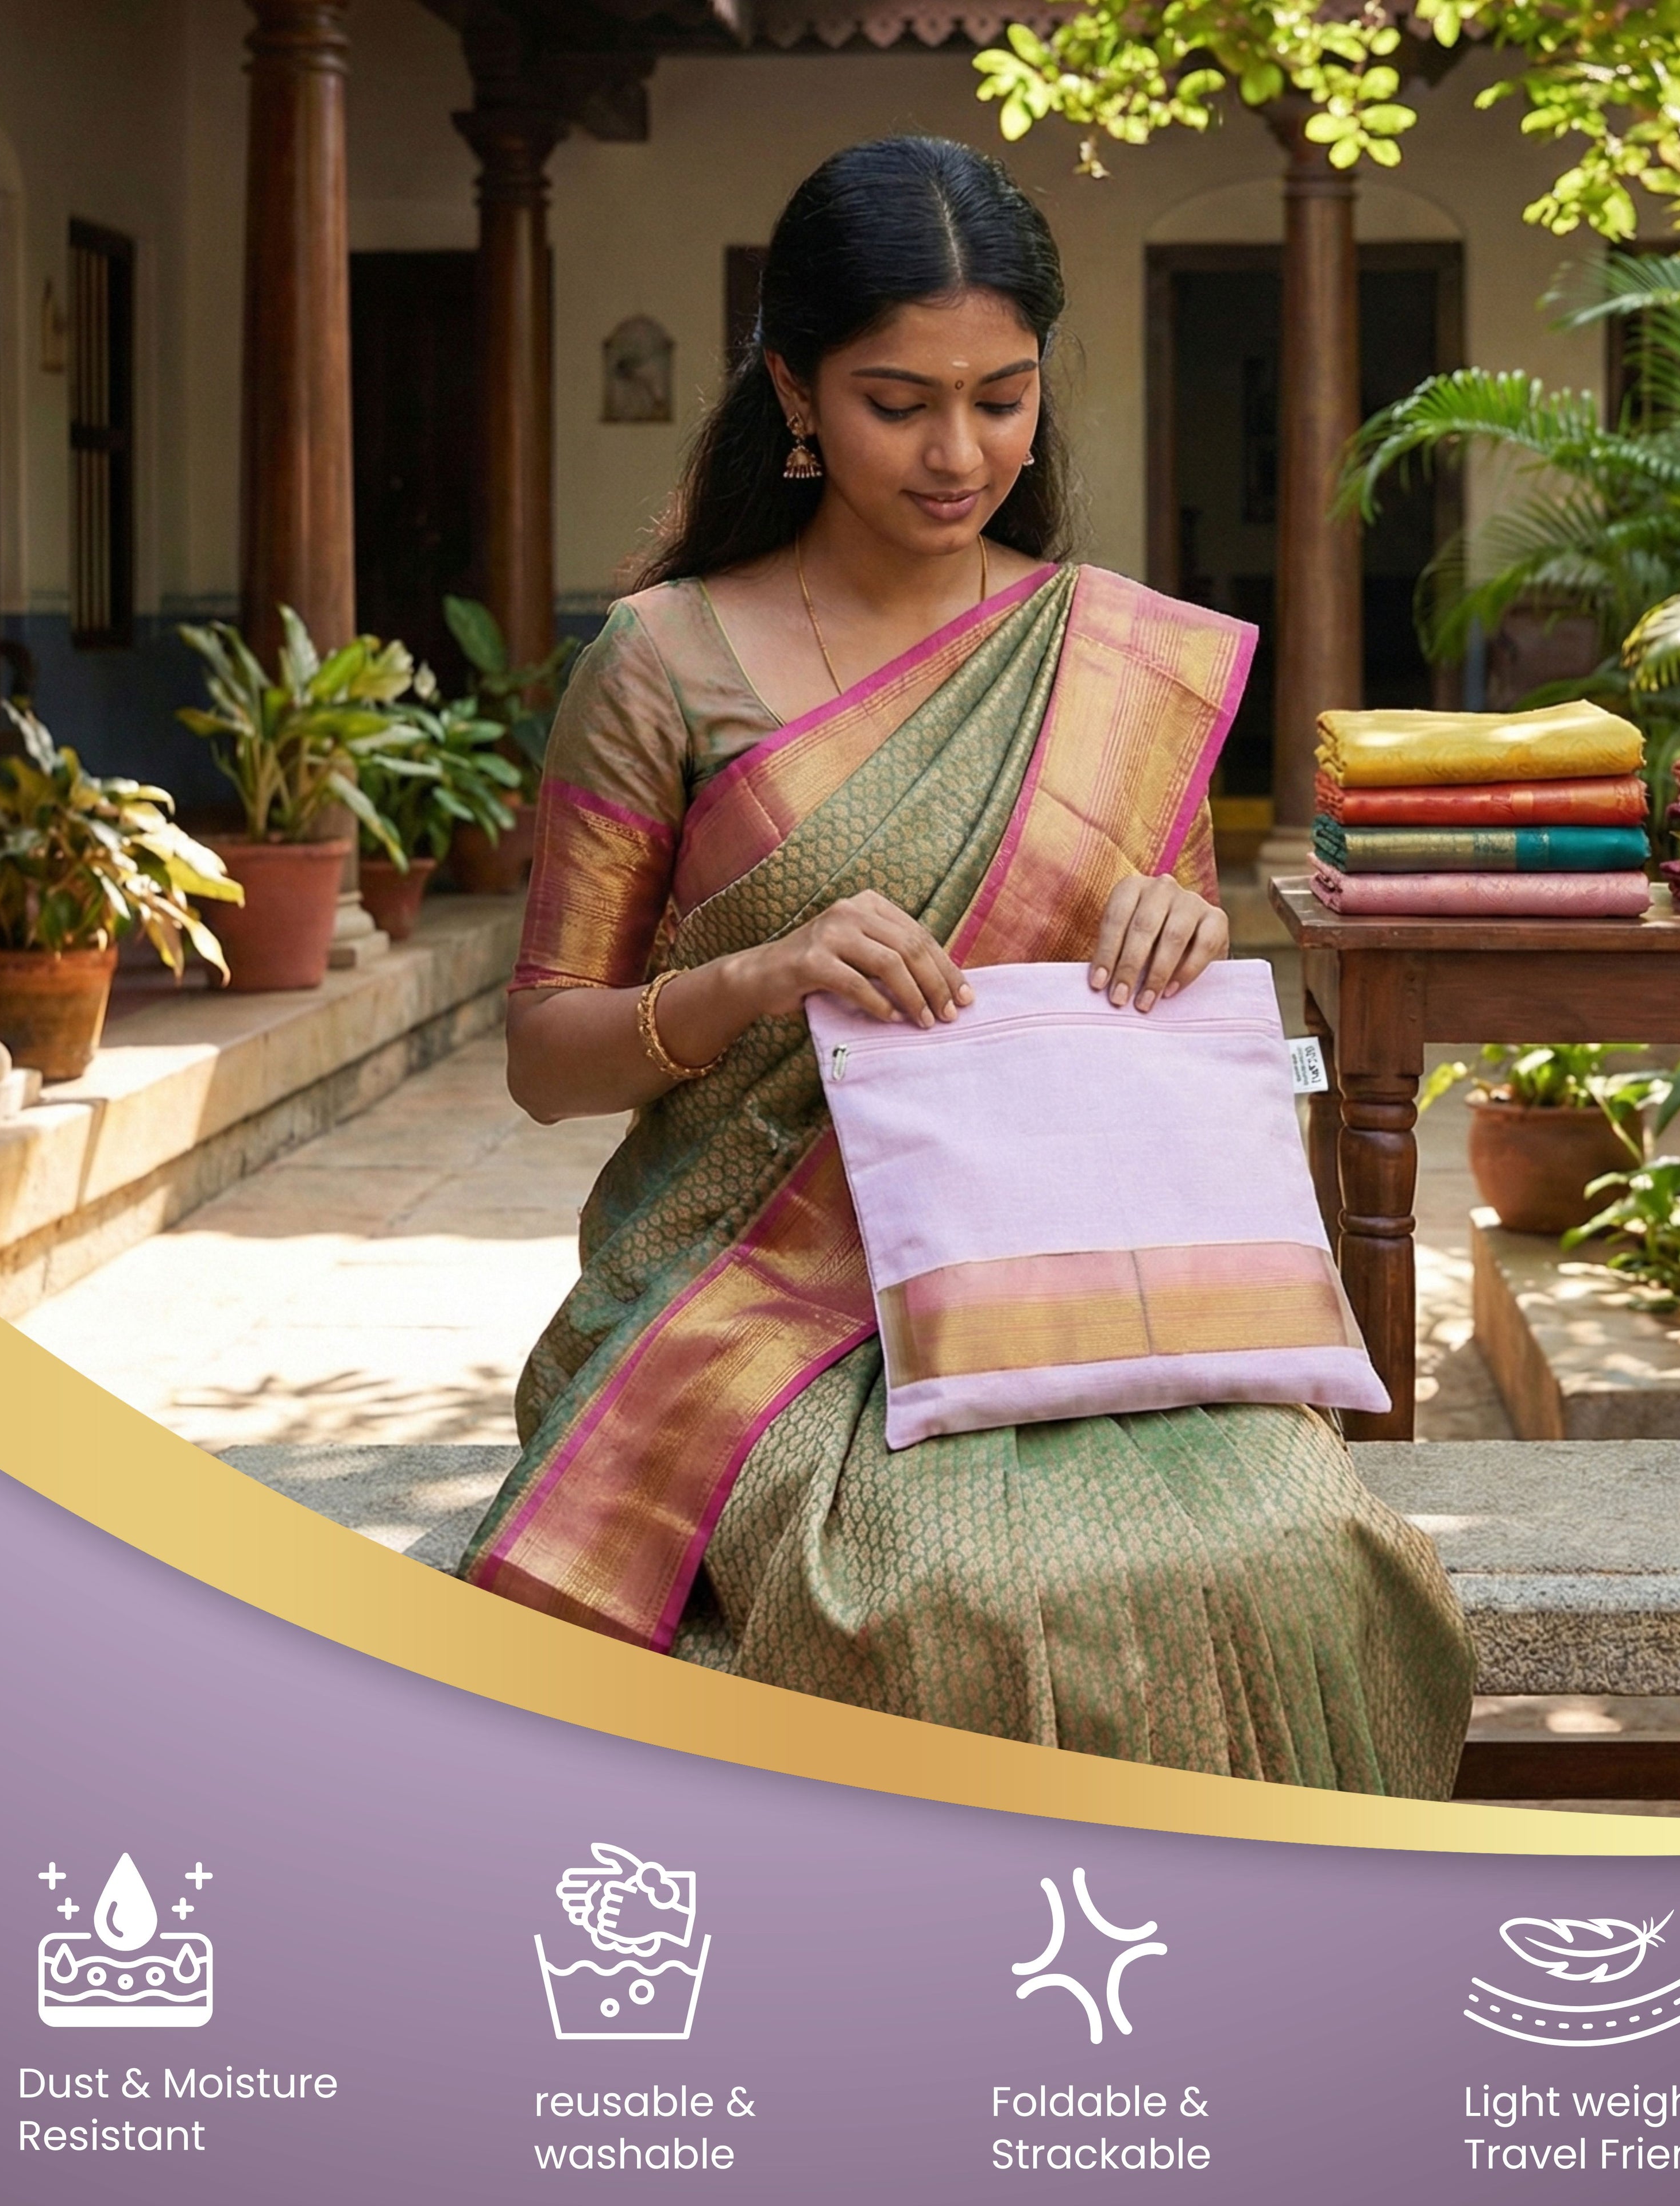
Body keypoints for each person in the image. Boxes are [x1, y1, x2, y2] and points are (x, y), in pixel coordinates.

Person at [460, 137, 1473, 1795]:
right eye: (899, 403)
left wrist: (1181, 937)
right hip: (755, 1302)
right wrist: (762, 974)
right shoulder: (663, 662)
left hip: (1074, 1275)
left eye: (1003, 399)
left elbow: (1133, 1006)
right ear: (794, 390)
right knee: (947, 1589)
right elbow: (545, 1056)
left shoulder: (1111, 656)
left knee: (1295, 1547)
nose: (960, 454)